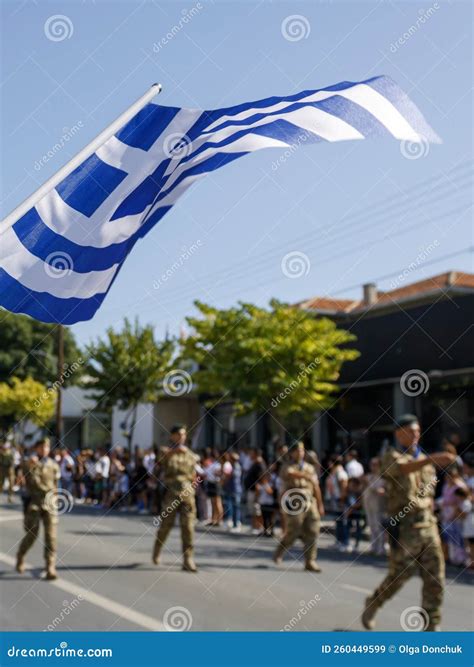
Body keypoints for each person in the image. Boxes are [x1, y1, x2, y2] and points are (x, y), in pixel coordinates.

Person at [362, 414, 456, 631]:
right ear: (398, 434)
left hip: (428, 525)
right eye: (410, 431)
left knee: (435, 578)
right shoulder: (392, 456)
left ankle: (431, 626)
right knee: (399, 577)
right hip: (405, 528)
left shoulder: (425, 462)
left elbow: (429, 494)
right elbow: (404, 468)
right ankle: (374, 603)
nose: (415, 435)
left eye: (417, 431)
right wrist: (434, 458)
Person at [152, 424, 200, 572]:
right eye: (179, 434)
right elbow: (158, 465)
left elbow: (194, 475)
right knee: (166, 525)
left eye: (184, 434)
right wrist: (173, 452)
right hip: (171, 493)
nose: (182, 437)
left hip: (187, 495)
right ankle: (157, 549)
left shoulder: (191, 455)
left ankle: (188, 559)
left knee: (188, 527)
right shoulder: (165, 451)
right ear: (172, 436)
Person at [273, 441, 325, 572]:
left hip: (309, 500)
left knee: (313, 530)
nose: (300, 453)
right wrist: (307, 477)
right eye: (297, 451)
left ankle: (310, 561)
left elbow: (316, 486)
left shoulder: (310, 467)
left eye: (302, 450)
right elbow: (290, 474)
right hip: (294, 500)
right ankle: (280, 551)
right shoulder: (287, 466)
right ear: (292, 453)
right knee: (293, 530)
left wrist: (320, 504)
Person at [16, 438, 61, 580]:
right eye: (41, 447)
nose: (44, 449)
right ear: (36, 448)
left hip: (50, 503)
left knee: (51, 536)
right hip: (35, 503)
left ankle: (50, 566)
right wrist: (29, 464)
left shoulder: (53, 465)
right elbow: (23, 474)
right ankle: (20, 556)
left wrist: (57, 498)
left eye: (46, 447)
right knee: (32, 535)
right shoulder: (30, 463)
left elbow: (56, 484)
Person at [362, 457, 386, 556]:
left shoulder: (383, 478)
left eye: (375, 465)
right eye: (371, 465)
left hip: (378, 505)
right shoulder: (369, 476)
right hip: (368, 504)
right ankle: (373, 547)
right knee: (371, 525)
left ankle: (381, 548)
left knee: (378, 526)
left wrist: (371, 485)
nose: (373, 467)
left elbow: (382, 491)